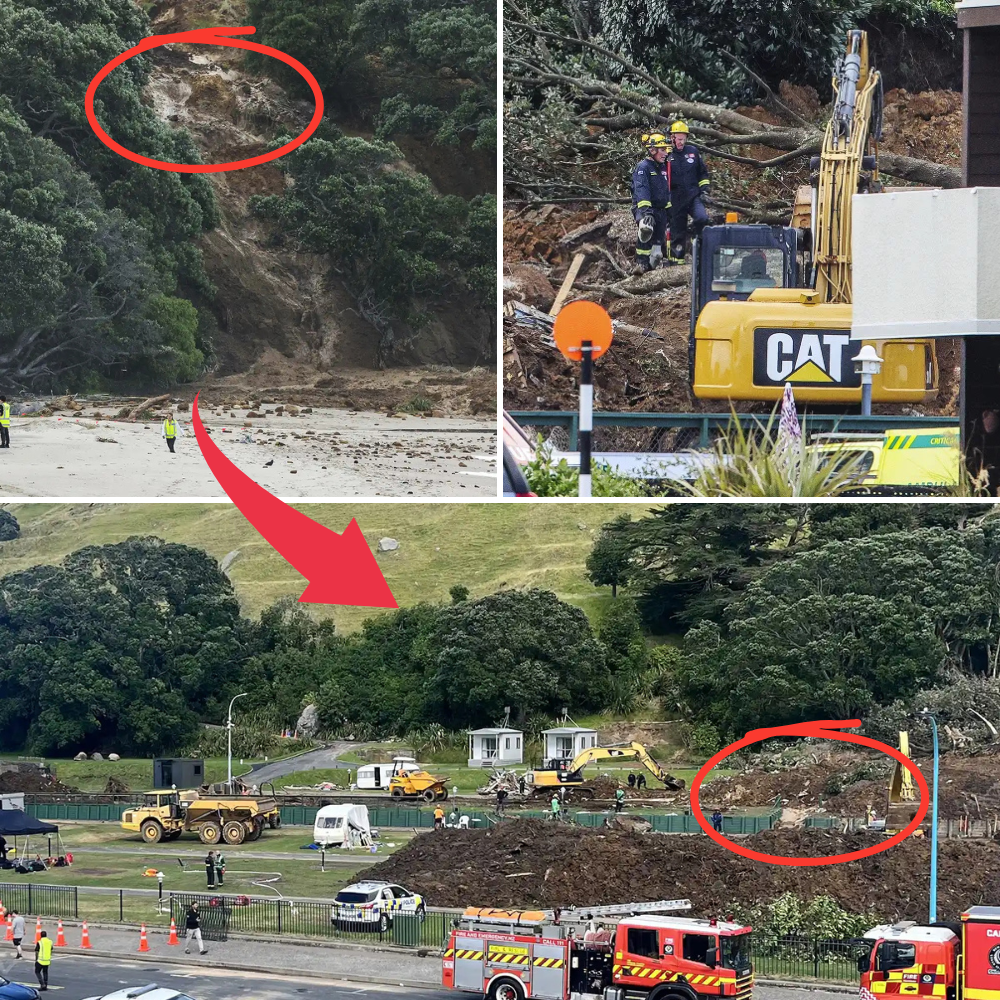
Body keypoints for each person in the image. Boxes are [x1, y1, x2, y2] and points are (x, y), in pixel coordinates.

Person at [666, 121, 711, 264]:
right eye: (678, 139)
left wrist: (704, 190)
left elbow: (703, 173)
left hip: (693, 196)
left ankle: (695, 242)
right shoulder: (666, 154)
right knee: (677, 232)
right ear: (672, 138)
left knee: (702, 218)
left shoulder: (693, 152)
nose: (681, 142)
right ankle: (676, 262)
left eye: (683, 139)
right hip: (675, 199)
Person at [631, 133, 672, 272]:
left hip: (661, 210)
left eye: (666, 150)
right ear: (652, 150)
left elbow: (665, 191)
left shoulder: (662, 167)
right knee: (646, 229)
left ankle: (649, 269)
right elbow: (642, 190)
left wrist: (669, 210)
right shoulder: (643, 167)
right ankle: (640, 264)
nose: (665, 153)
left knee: (657, 253)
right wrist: (646, 213)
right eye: (662, 150)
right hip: (645, 209)